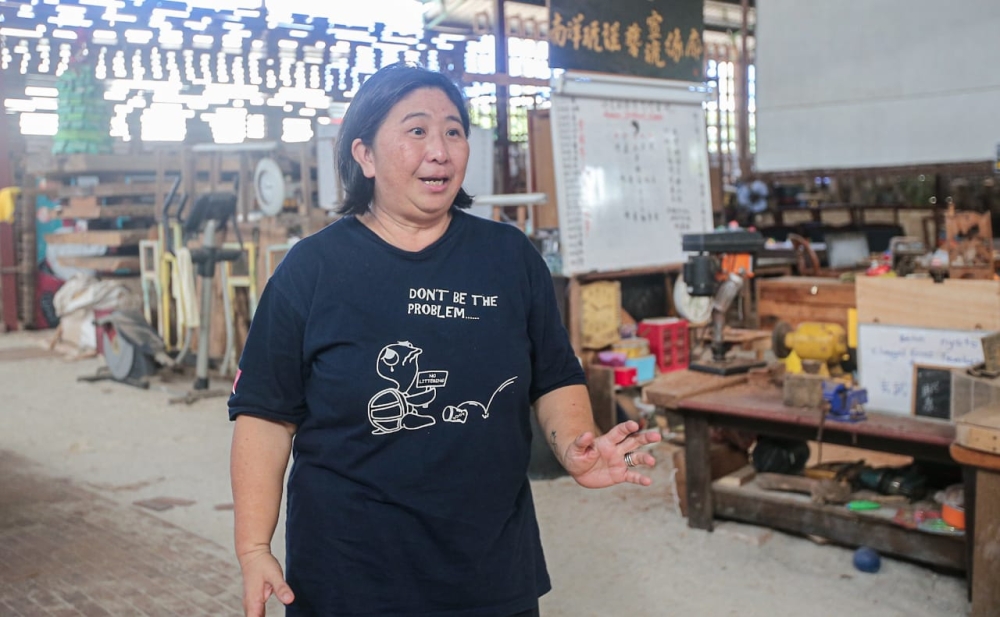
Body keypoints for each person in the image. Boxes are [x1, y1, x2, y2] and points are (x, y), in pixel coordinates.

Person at [228, 62, 662, 617]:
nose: (440, 151)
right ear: (364, 155)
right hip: (348, 575)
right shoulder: (311, 270)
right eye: (417, 130)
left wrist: (575, 445)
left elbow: (554, 376)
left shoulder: (508, 257)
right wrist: (254, 548)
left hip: (489, 572)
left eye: (453, 131)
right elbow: (265, 416)